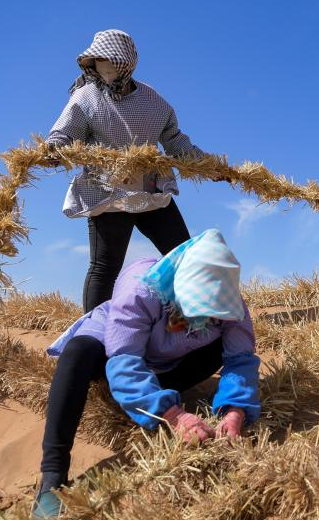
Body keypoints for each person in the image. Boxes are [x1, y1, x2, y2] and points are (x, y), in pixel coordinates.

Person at [32, 229, 260, 519]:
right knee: (79, 352)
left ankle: (147, 396)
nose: (206, 320)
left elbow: (240, 360)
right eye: (199, 311)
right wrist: (173, 415)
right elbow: (124, 358)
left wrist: (235, 411)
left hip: (168, 360)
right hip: (113, 347)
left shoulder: (231, 304)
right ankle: (52, 475)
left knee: (220, 350)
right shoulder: (141, 287)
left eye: (214, 316)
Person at [44, 29, 224, 312]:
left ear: (126, 61)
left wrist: (209, 166)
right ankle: (92, 333)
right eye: (96, 60)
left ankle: (202, 316)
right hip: (108, 195)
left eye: (108, 59)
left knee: (182, 256)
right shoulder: (85, 97)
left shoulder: (154, 102)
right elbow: (63, 134)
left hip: (150, 192)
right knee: (105, 266)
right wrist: (54, 151)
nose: (101, 66)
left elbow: (176, 142)